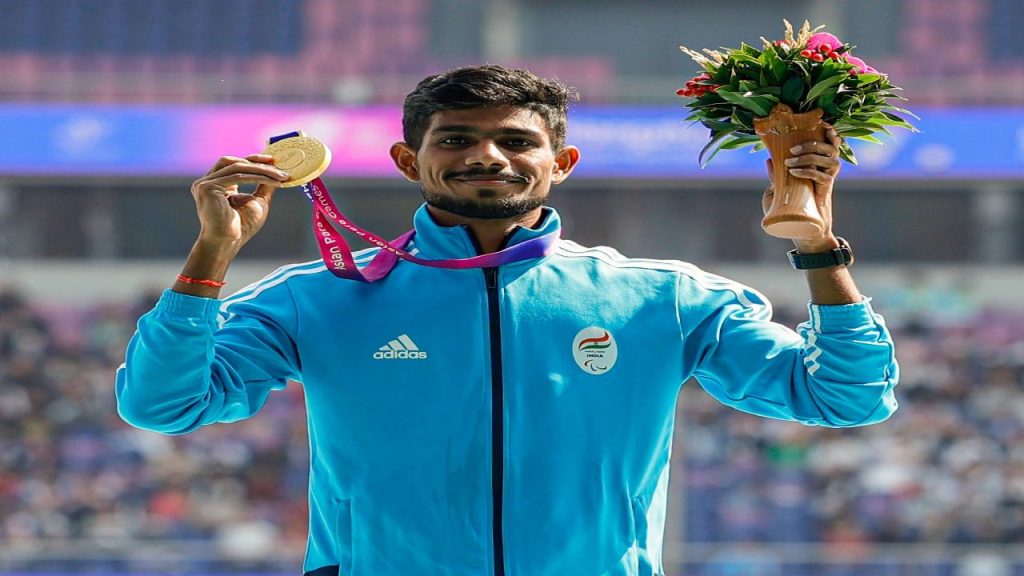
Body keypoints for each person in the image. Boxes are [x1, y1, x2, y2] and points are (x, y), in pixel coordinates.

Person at [115, 64, 898, 576]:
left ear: (562, 163)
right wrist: (213, 253)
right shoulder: (320, 296)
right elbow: (162, 404)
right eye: (456, 138)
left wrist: (818, 249)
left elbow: (845, 397)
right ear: (407, 160)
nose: (486, 155)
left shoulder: (661, 298)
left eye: (516, 141)